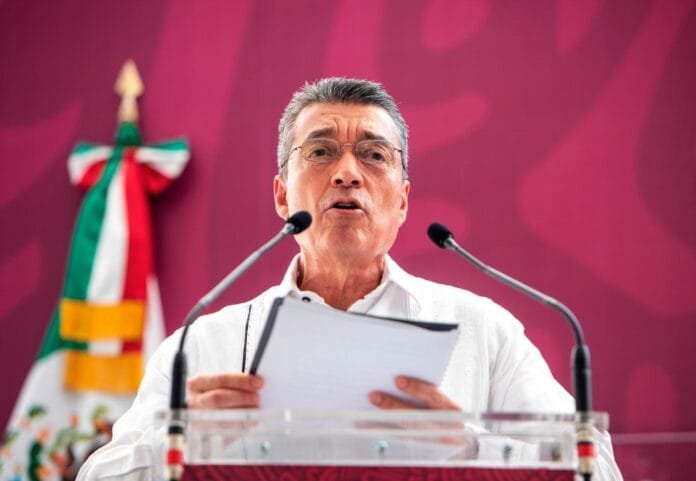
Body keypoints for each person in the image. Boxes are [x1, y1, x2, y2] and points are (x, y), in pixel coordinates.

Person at [77, 78, 622, 480]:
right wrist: (178, 441)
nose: (346, 173)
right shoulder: (203, 344)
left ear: (403, 201)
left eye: (373, 155)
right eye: (320, 151)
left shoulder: (483, 331)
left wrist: (470, 447)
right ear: (282, 196)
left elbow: (597, 468)